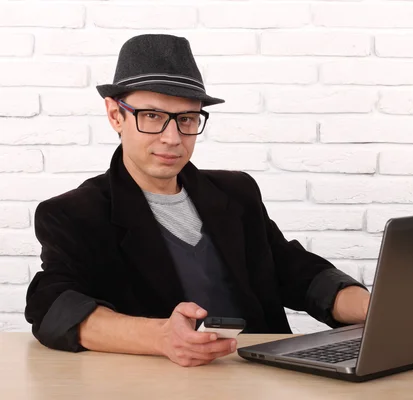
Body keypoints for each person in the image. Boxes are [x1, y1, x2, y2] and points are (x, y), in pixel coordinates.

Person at [24, 34, 370, 367]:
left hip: (262, 376)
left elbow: (298, 272)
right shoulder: (73, 214)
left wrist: (380, 309)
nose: (172, 138)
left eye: (186, 119)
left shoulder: (236, 192)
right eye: (153, 117)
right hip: (158, 386)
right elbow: (52, 305)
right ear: (116, 115)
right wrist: (159, 336)